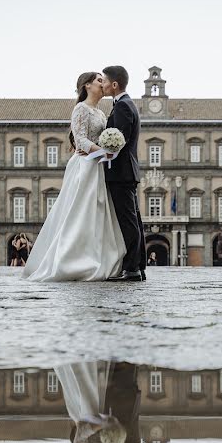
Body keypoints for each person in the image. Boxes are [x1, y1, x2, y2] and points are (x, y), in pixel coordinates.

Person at [23, 72, 126, 281]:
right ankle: (70, 261)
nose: (102, 83)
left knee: (96, 214)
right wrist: (103, 152)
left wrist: (108, 151)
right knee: (79, 212)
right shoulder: (80, 109)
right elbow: (79, 141)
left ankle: (94, 257)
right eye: (99, 80)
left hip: (97, 165)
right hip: (84, 166)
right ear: (87, 85)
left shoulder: (100, 113)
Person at [101, 65, 146, 282]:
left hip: (120, 173)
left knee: (128, 221)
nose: (103, 85)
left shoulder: (123, 107)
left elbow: (119, 143)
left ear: (115, 84)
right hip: (127, 172)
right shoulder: (127, 104)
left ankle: (132, 269)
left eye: (105, 81)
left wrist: (100, 154)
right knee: (134, 220)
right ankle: (139, 267)